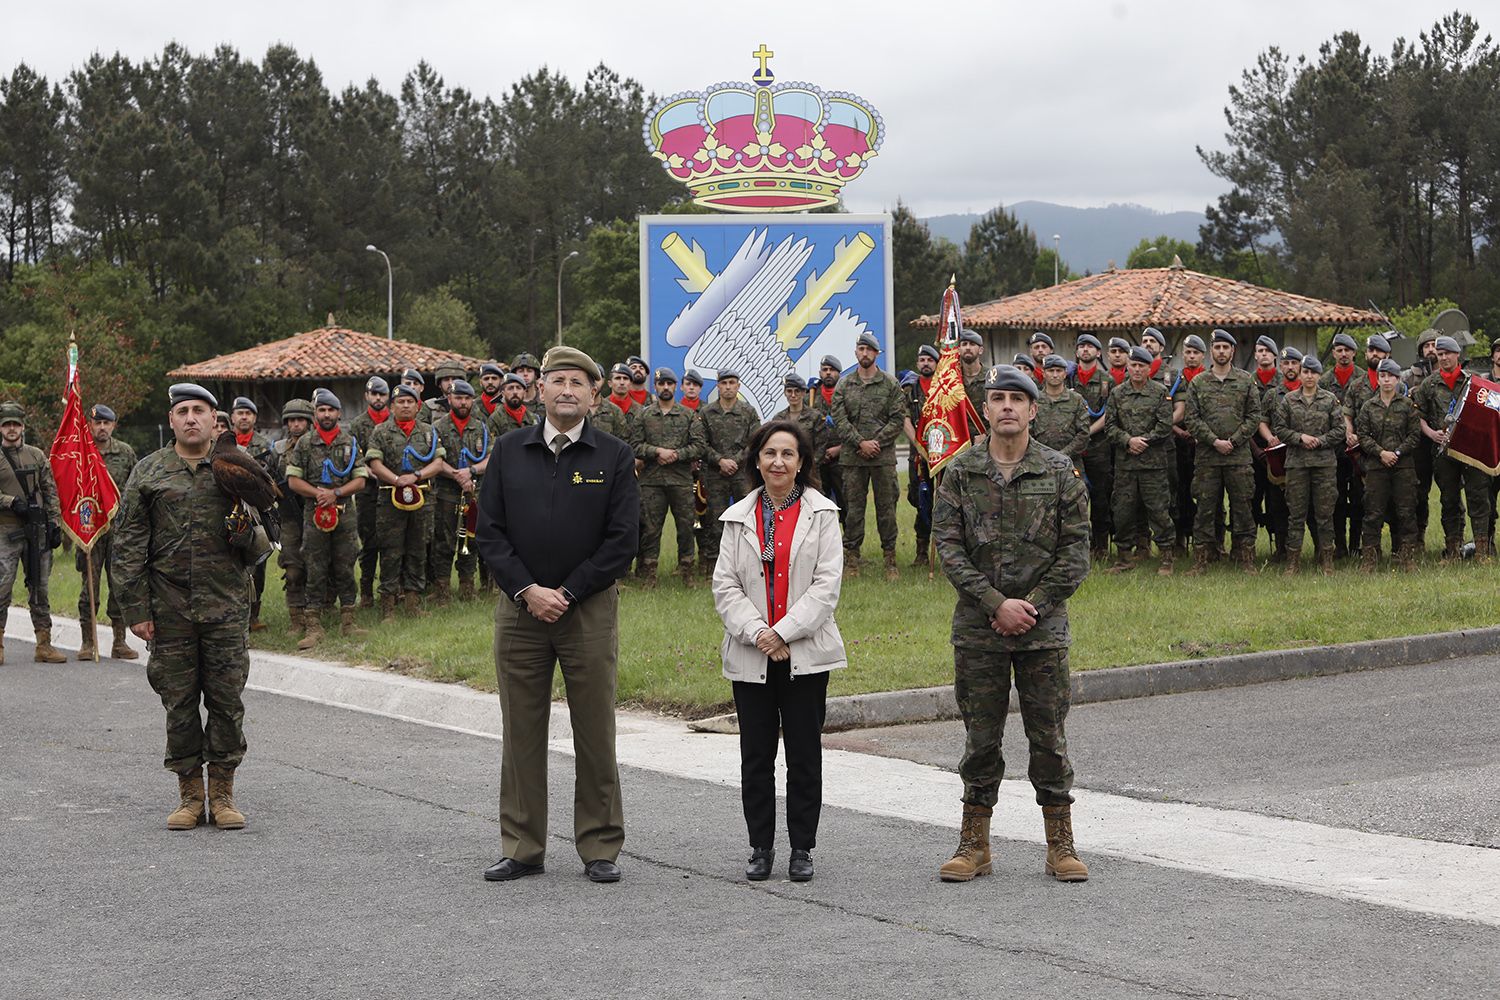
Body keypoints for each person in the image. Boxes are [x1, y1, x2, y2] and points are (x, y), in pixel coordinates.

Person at [476, 345, 639, 885]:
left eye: (578, 382)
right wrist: (527, 589)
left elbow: (622, 541)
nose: (567, 389)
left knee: (595, 729)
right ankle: (522, 845)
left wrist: (566, 591)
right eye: (557, 380)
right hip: (520, 611)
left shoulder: (613, 456)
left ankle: (599, 845)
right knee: (521, 729)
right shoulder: (508, 450)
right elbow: (489, 533)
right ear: (539, 389)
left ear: (595, 395)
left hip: (587, 611)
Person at [931, 364, 1091, 884]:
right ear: (987, 408)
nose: (1006, 406)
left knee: (1048, 738)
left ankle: (1060, 845)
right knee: (981, 739)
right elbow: (949, 549)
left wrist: (1033, 606)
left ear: (1032, 410)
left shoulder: (1060, 472)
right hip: (980, 630)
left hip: (1042, 634)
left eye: (1015, 399)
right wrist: (995, 603)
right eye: (997, 397)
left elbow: (1076, 553)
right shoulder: (960, 471)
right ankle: (973, 844)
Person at [113, 383, 267, 830]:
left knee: (226, 702)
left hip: (226, 607)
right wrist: (135, 610)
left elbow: (262, 544)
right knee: (179, 703)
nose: (191, 418)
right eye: (183, 411)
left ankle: (221, 794)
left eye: (200, 410)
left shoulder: (233, 468)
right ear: (172, 419)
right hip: (169, 609)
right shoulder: (149, 472)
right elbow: (127, 547)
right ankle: (189, 796)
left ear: (214, 419)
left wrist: (246, 536)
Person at [712, 419, 845, 883]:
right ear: (756, 459)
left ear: (802, 462)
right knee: (756, 756)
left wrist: (783, 633)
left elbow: (827, 587)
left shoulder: (823, 514)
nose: (778, 462)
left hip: (804, 654)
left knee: (805, 756)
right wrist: (758, 633)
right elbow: (725, 585)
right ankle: (761, 847)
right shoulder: (737, 517)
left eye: (788, 454)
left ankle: (802, 848)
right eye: (770, 453)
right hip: (752, 654)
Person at [286, 388, 368, 646]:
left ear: (339, 413)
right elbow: (293, 481)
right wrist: (319, 494)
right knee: (315, 568)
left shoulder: (350, 443)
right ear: (315, 413)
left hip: (344, 515)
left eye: (331, 410)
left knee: (345, 566)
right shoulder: (304, 443)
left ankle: (349, 622)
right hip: (314, 514)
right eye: (321, 410)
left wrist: (337, 493)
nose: (326, 414)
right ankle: (313, 627)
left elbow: (361, 479)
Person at [1182, 330, 1260, 574]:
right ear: (1212, 351)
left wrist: (1234, 441)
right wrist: (1214, 441)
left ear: (1232, 351)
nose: (1222, 352)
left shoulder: (1246, 381)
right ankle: (1202, 559)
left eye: (1226, 347)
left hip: (1238, 458)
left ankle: (1245, 557)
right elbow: (1191, 418)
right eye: (1217, 347)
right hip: (1208, 458)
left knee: (1243, 508)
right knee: (1205, 508)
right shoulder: (1198, 383)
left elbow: (1254, 416)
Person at [365, 384, 445, 620]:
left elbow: (438, 463)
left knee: (418, 550)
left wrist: (417, 476)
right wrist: (397, 479)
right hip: (391, 500)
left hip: (422, 499)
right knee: (390, 551)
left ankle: (413, 603)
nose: (406, 406)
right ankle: (387, 606)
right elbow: (375, 464)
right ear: (392, 406)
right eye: (401, 402)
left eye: (410, 402)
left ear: (418, 406)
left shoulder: (428, 432)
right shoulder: (380, 431)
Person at [831, 331, 905, 580]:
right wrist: (860, 442)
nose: (864, 354)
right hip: (853, 458)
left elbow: (897, 419)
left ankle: (890, 559)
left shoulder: (890, 384)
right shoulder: (844, 384)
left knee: (887, 508)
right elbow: (839, 420)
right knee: (853, 509)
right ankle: (852, 558)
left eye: (869, 350)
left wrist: (876, 443)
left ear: (876, 354)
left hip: (882, 458)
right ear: (856, 353)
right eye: (861, 349)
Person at [1415, 335, 1492, 561]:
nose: (1444, 357)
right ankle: (1453, 548)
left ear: (1457, 355)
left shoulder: (1474, 382)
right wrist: (1431, 433)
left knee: (1478, 498)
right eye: (1440, 354)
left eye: (1448, 353)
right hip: (1444, 452)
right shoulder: (1429, 384)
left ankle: (1482, 549)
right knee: (1449, 500)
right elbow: (1417, 416)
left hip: (1471, 452)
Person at [0, 401, 65, 663]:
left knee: (40, 586)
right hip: (6, 530)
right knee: (2, 586)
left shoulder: (37, 455)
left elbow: (50, 490)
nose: (12, 429)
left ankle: (44, 643)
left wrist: (54, 524)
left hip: (36, 532)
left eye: (16, 424)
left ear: (23, 426)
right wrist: (10, 502)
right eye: (7, 424)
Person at [74, 403, 139, 661]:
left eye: (106, 423)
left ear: (114, 425)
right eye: (97, 423)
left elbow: (134, 489)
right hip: (89, 527)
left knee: (119, 584)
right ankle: (88, 642)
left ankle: (119, 641)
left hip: (118, 530)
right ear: (90, 425)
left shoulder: (125, 452)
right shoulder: (81, 452)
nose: (102, 427)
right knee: (89, 585)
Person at [1104, 346, 1174, 574]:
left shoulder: (1160, 393)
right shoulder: (1117, 393)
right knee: (1122, 511)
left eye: (1141, 366)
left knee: (1159, 511)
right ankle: (1124, 557)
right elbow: (1110, 426)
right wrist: (1127, 440)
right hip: (1126, 465)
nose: (1136, 370)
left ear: (1148, 369)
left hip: (1152, 465)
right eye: (1133, 365)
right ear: (1128, 367)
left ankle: (1166, 558)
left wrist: (1143, 441)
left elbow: (1164, 426)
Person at [1272, 355, 1345, 574]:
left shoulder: (1330, 399)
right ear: (1301, 374)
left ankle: (1327, 560)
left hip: (1324, 465)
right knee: (1296, 514)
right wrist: (1300, 438)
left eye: (1313, 372)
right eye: (1305, 372)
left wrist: (1321, 441)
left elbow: (1340, 430)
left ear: (1319, 375)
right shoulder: (1289, 400)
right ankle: (1293, 562)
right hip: (1297, 465)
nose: (1309, 376)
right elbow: (1280, 429)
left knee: (1324, 514)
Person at [631, 367, 702, 587]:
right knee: (651, 529)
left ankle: (687, 571)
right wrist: (656, 452)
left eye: (669, 384)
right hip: (652, 481)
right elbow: (634, 446)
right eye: (661, 384)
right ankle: (649, 574)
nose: (665, 387)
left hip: (680, 480)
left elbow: (699, 446)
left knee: (685, 527)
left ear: (675, 387)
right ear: (656, 387)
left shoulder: (688, 415)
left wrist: (676, 455)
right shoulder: (644, 414)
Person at [695, 368, 762, 576]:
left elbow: (755, 442)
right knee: (716, 520)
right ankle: (716, 566)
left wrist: (735, 461)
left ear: (738, 386)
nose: (728, 387)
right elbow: (700, 443)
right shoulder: (706, 412)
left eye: (732, 383)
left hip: (742, 474)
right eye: (724, 383)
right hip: (715, 474)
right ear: (718, 386)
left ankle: (748, 562)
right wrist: (720, 460)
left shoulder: (748, 412)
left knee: (747, 518)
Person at [1356, 359, 1421, 571]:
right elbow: (1362, 436)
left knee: (1406, 512)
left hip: (1403, 467)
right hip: (1376, 466)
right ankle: (1370, 558)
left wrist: (1397, 452)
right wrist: (1381, 452)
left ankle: (1407, 557)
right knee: (1373, 513)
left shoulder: (1407, 405)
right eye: (1382, 376)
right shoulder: (1368, 406)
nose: (1386, 380)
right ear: (1378, 378)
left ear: (1396, 379)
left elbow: (1414, 435)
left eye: (1390, 376)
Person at [431, 379, 490, 603]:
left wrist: (471, 471)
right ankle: (442, 590)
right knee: (443, 541)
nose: (463, 402)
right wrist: (457, 474)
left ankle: (468, 588)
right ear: (450, 399)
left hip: (474, 493)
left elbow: (491, 457)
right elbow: (435, 458)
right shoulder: (438, 427)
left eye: (467, 398)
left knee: (472, 539)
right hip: (446, 492)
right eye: (458, 398)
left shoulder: (481, 427)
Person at [267, 398, 312, 638]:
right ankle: (297, 618)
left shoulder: (317, 445)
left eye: (301, 420)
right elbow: (267, 480)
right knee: (293, 568)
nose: (296, 424)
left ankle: (318, 613)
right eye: (292, 420)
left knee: (318, 566)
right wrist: (276, 489)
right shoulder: (277, 450)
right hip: (289, 516)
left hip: (315, 511)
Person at [229, 396, 273, 631]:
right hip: (230, 509)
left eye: (248, 413)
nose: (244, 417)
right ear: (233, 417)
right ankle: (234, 614)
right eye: (240, 413)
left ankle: (253, 615)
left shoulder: (265, 445)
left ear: (254, 418)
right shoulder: (223, 443)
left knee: (258, 561)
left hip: (255, 511)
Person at [1069, 334, 1113, 556]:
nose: (1085, 350)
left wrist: (1086, 433)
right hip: (1071, 448)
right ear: (1076, 352)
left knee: (1100, 497)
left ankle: (1101, 546)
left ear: (1098, 352)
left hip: (1098, 448)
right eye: (1081, 347)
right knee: (1072, 498)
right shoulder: (1067, 378)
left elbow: (1109, 414)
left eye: (1090, 347)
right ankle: (1079, 545)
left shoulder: (1107, 380)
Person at [349, 376, 390, 608]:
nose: (377, 398)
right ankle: (366, 593)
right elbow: (354, 457)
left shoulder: (393, 421)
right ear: (367, 396)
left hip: (392, 489)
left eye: (381, 394)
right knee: (369, 542)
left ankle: (391, 590)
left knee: (391, 541)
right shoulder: (357, 425)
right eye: (373, 394)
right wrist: (370, 470)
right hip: (368, 490)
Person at [1321, 332, 1363, 558]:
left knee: (1358, 498)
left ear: (1354, 353)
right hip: (1333, 451)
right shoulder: (1324, 382)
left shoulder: (1363, 379)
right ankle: (1340, 546)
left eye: (1347, 350)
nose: (1343, 354)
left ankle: (1356, 544)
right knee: (1334, 499)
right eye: (1339, 350)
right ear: (1334, 353)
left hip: (1358, 450)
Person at [1169, 335, 1207, 556]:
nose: (1191, 356)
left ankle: (1213, 541)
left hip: (1205, 443)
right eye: (1188, 352)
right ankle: (1180, 539)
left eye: (1195, 352)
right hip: (1179, 442)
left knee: (1207, 493)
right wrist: (1179, 430)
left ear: (1203, 355)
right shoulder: (1175, 378)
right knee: (1180, 491)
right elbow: (1167, 412)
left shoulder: (1209, 377)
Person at [901, 347, 938, 565]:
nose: (926, 363)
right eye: (922, 359)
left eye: (930, 360)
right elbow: (903, 416)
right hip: (918, 454)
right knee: (920, 499)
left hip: (942, 453)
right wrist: (918, 443)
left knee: (943, 500)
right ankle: (921, 551)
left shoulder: (945, 388)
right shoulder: (909, 389)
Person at [1031, 355, 1090, 472]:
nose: (1055, 374)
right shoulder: (1034, 400)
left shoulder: (1076, 400)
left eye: (1059, 371)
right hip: (1040, 462)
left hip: (1071, 462)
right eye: (1050, 371)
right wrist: (1043, 455)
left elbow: (1084, 433)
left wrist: (1063, 454)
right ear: (1043, 373)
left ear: (1065, 373)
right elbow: (1027, 431)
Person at [811, 356, 844, 522]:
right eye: (825, 370)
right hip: (819, 460)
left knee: (846, 504)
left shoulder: (847, 394)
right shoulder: (811, 396)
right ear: (820, 373)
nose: (828, 373)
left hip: (842, 459)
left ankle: (848, 545)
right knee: (819, 505)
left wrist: (839, 449)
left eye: (832, 370)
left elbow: (859, 425)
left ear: (839, 373)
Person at [592, 364, 641, 442]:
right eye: (618, 378)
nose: (622, 382)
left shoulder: (641, 411)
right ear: (609, 383)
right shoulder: (597, 407)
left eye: (625, 378)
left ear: (631, 384)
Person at [958, 330, 987, 424]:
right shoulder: (953, 379)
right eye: (964, 344)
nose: (968, 347)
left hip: (985, 436)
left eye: (972, 344)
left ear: (981, 350)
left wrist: (987, 435)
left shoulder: (991, 377)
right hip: (958, 436)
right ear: (958, 350)